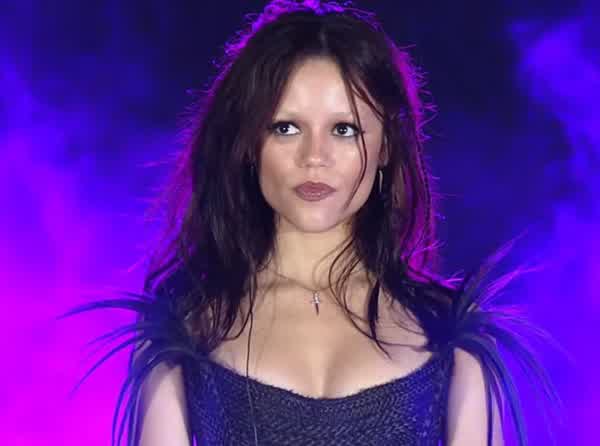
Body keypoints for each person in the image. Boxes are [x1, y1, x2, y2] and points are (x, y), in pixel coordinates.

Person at [59, 1, 560, 445]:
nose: (314, 156)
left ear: (386, 146)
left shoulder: (449, 337)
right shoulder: (187, 328)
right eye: (286, 127)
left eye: (344, 129)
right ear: (249, 145)